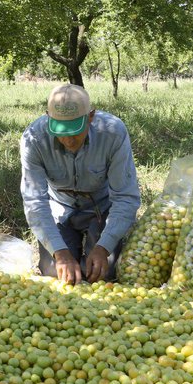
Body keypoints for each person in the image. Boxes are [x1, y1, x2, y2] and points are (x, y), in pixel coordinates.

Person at [20, 83, 141, 285]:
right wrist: (60, 252)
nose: (68, 140)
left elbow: (125, 197)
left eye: (74, 131)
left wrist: (104, 247)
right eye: (60, 131)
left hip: (101, 208)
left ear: (91, 117)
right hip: (59, 208)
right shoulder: (34, 139)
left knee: (103, 272)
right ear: (49, 118)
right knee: (55, 275)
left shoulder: (113, 133)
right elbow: (35, 202)